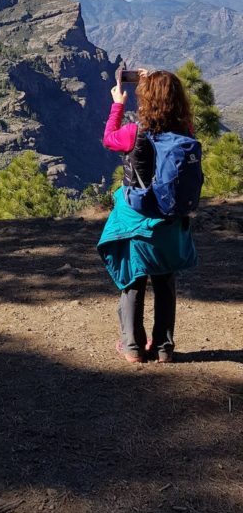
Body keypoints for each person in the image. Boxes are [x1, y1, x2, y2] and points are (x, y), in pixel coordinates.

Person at [97, 70, 198, 364]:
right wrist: (157, 80)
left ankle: (132, 347)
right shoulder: (186, 132)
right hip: (169, 222)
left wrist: (118, 103)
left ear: (145, 99)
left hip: (137, 220)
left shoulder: (135, 133)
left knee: (133, 280)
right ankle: (164, 347)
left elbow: (108, 139)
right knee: (165, 282)